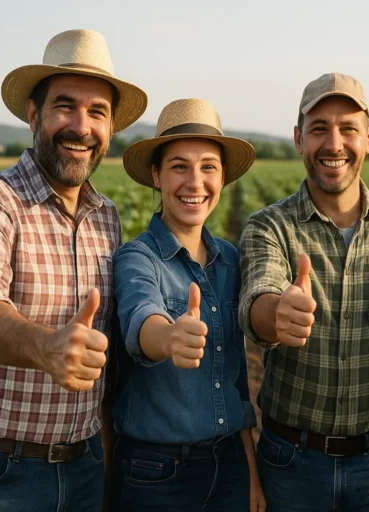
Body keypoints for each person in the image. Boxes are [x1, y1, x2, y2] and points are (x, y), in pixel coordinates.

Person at [0, 29, 147, 512]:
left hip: (83, 467)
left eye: (97, 112)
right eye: (65, 107)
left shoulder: (107, 216)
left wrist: (104, 461)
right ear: (34, 114)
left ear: (111, 127)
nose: (81, 127)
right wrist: (45, 346)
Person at [238, 72, 369, 511]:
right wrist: (278, 314)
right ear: (298, 139)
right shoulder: (270, 226)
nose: (334, 144)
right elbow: (258, 298)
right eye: (319, 129)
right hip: (291, 464)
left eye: (348, 129)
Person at [108, 98, 265, 511]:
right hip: (157, 474)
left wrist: (249, 472)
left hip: (230, 467)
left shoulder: (230, 260)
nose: (195, 182)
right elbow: (142, 317)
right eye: (179, 166)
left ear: (222, 177)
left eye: (208, 167)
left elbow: (237, 383)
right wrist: (169, 337)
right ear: (156, 176)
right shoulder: (137, 258)